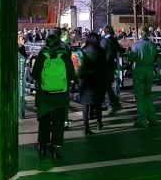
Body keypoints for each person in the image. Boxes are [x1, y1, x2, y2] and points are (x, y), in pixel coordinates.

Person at [31, 27, 75, 159]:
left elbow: (34, 75)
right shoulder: (64, 55)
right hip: (60, 96)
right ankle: (57, 148)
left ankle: (43, 147)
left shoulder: (42, 55)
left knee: (44, 121)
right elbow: (72, 75)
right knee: (58, 123)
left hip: (44, 95)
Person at [128, 26, 159, 127]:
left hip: (139, 70)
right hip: (149, 70)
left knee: (140, 96)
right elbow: (156, 58)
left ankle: (142, 120)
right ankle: (153, 118)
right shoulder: (153, 45)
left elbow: (131, 58)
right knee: (148, 95)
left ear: (140, 34)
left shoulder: (136, 45)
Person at [79, 33, 107, 135]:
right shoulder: (101, 51)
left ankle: (85, 126)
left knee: (85, 104)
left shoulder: (81, 51)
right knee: (98, 102)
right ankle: (99, 123)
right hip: (98, 79)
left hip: (85, 80)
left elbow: (78, 66)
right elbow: (104, 66)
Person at [100, 25, 124, 115]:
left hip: (103, 66)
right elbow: (120, 50)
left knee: (105, 86)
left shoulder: (102, 40)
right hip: (111, 66)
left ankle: (112, 104)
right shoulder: (114, 39)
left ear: (105, 31)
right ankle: (111, 104)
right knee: (107, 85)